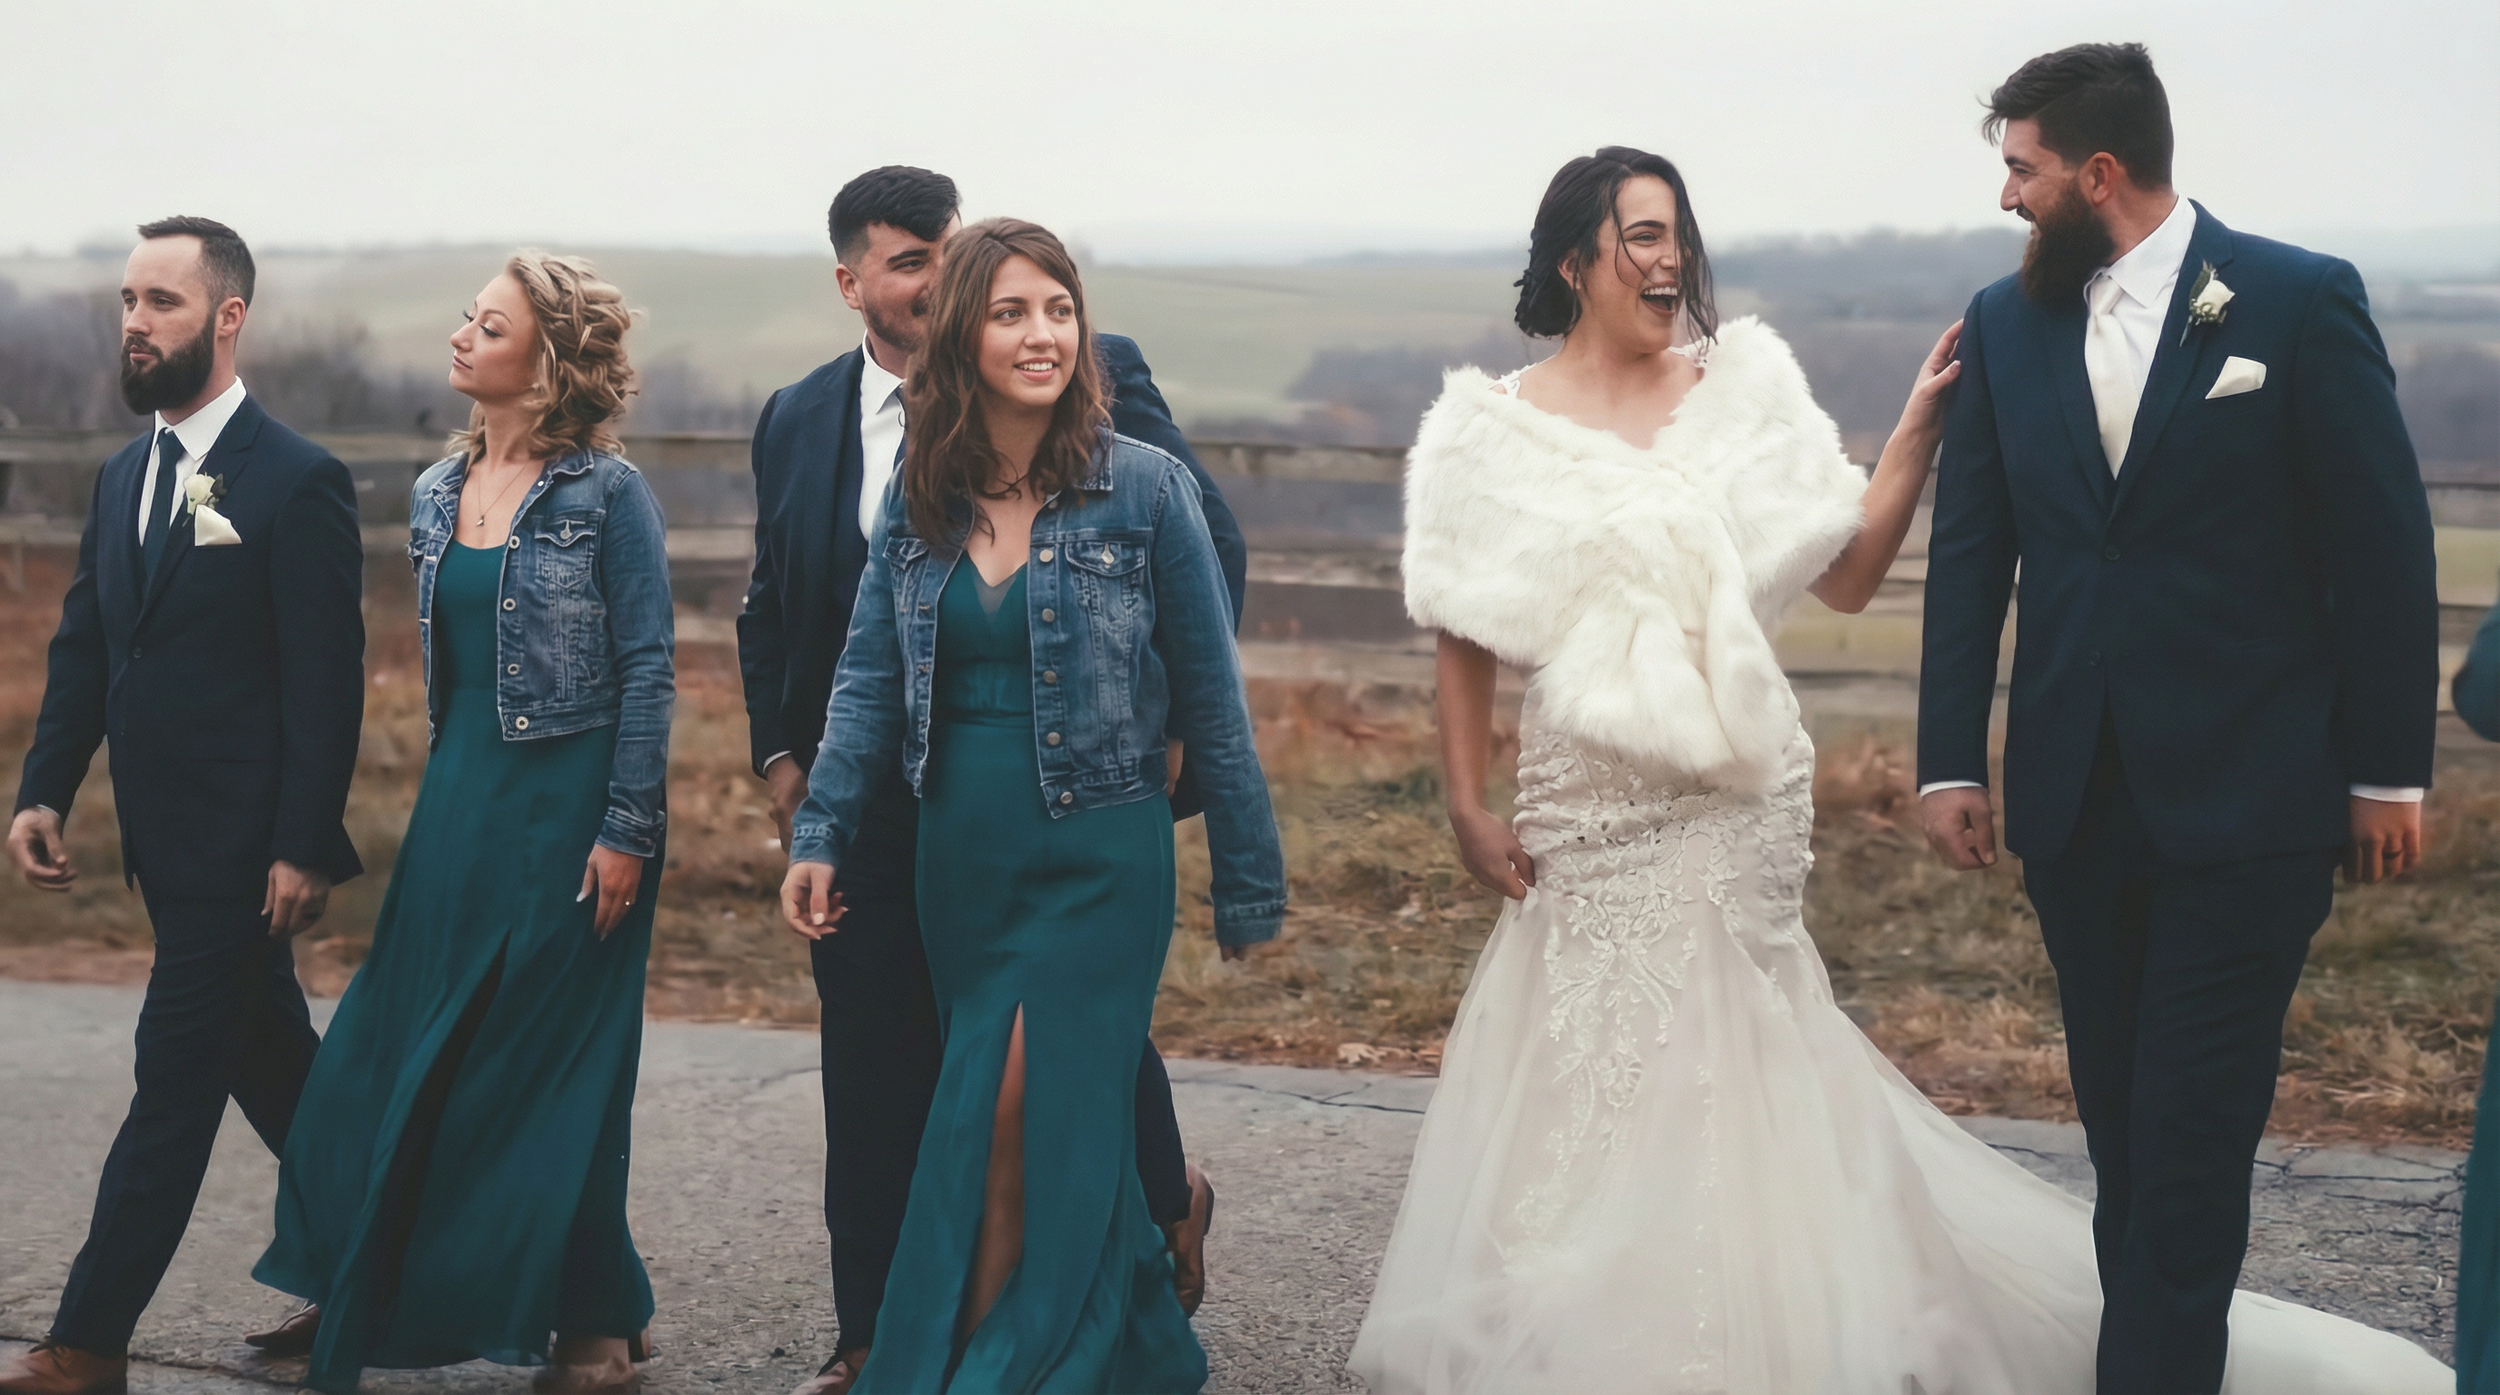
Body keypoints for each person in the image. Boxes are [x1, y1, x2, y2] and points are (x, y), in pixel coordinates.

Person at [1348, 143, 2452, 1393]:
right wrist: (1461, 796)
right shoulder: (1488, 427)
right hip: (1582, 802)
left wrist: (1918, 428)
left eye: (1676, 235)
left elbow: (1852, 574)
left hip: (1730, 805)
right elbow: (1460, 623)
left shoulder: (1742, 393)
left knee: (1726, 1053)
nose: (1669, 260)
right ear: (1572, 260)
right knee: (1580, 1054)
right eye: (1641, 235)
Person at [1917, 44, 2447, 1392]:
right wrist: (1945, 761)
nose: (2006, 196)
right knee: (2124, 1137)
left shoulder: (2298, 300)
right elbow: (1971, 553)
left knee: (2190, 1135)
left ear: (2099, 173)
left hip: (2253, 803)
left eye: (2022, 169)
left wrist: (2389, 772)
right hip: (2074, 804)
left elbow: (2383, 548)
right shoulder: (2002, 321)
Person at [737, 167, 1243, 1395]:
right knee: (878, 1059)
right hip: (876, 792)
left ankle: (1155, 1210)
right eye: (909, 259)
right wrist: (786, 763)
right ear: (852, 282)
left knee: (1050, 1051)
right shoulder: (797, 416)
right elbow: (775, 607)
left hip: (1059, 781)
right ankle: (876, 1338)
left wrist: (1162, 719)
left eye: (948, 252)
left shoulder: (1093, 372)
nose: (938, 277)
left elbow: (1204, 546)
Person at [249, 252, 674, 1395]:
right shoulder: (437, 491)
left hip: (576, 809)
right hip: (461, 802)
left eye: (488, 325)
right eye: (466, 318)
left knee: (548, 1073)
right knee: (380, 1060)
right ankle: (370, 1275)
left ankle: (592, 1331)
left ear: (547, 360)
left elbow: (648, 668)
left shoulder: (608, 497)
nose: (460, 336)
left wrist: (628, 829)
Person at [2, 218, 364, 1395]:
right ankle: (423, 1269)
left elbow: (325, 684)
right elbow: (87, 647)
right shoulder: (124, 475)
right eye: (127, 300)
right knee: (287, 1081)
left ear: (227, 317)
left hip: (244, 854)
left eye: (162, 301)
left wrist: (303, 844)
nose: (135, 322)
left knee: (171, 1087)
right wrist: (45, 790)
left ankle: (88, 1340)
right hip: (163, 847)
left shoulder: (297, 479)